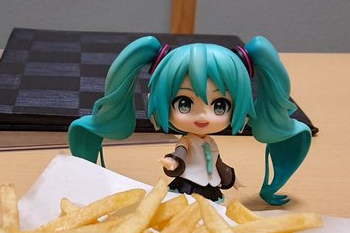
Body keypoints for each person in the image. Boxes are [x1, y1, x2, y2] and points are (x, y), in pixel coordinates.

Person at [68, 36, 311, 206]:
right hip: (185, 189)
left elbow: (217, 163)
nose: (203, 116)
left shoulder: (210, 144)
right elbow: (180, 157)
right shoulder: (185, 142)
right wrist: (173, 162)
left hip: (211, 192)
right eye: (184, 103)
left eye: (220, 106)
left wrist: (231, 178)